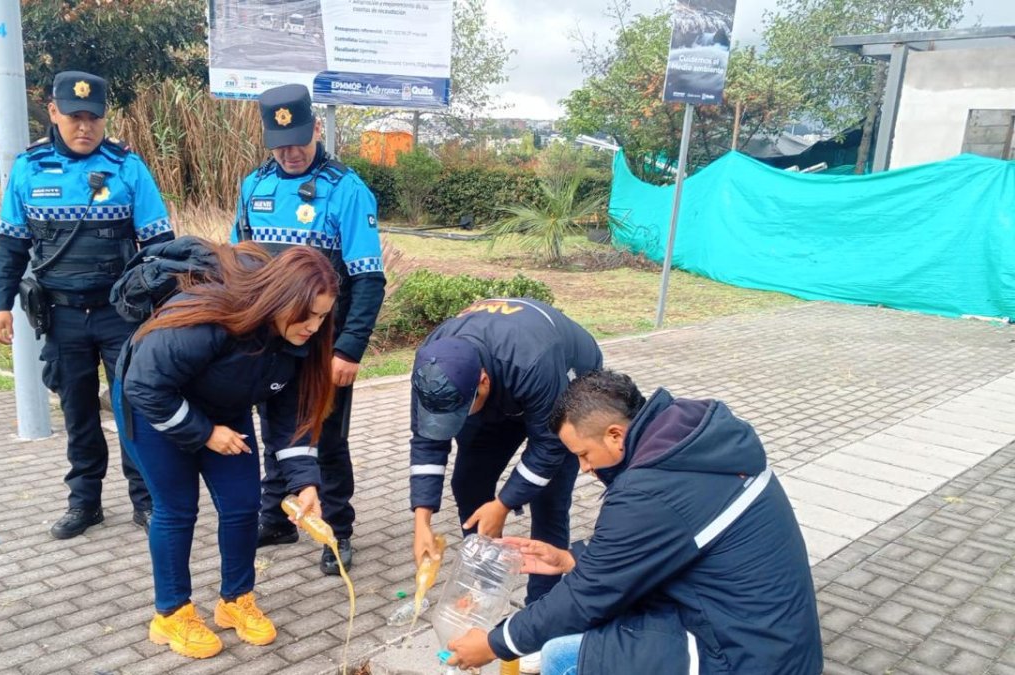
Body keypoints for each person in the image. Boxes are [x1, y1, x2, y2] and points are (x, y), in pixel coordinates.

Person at [445, 370, 824, 675]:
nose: (585, 467)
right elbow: (656, 544)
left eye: (584, 454)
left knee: (565, 656)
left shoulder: (649, 489)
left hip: (743, 657)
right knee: (579, 637)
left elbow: (587, 598)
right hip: (770, 636)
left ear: (615, 434)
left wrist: (495, 643)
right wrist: (570, 560)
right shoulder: (687, 443)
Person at [112, 242, 338, 659]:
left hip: (223, 408)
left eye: (324, 315)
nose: (315, 325)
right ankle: (172, 613)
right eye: (308, 314)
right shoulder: (212, 316)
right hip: (153, 404)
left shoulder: (299, 339)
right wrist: (203, 433)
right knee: (176, 509)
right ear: (281, 300)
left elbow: (291, 419)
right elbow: (143, 385)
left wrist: (306, 484)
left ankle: (235, 601)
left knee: (241, 504)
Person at [0, 70, 174, 539]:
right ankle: (84, 503)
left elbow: (160, 246)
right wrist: (0, 305)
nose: (84, 126)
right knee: (78, 413)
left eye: (94, 117)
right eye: (75, 116)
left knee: (133, 406)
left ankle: (146, 500)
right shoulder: (29, 169)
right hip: (62, 316)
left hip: (121, 315)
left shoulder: (128, 168)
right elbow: (10, 248)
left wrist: (166, 306)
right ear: (53, 112)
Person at [233, 83, 385, 576]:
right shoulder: (253, 187)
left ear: (316, 129)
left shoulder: (346, 189)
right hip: (269, 341)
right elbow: (241, 265)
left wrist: (349, 348)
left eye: (298, 139)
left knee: (327, 438)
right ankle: (277, 517)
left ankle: (337, 531)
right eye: (279, 144)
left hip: (325, 344)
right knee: (273, 430)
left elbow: (368, 279)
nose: (290, 152)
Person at [409, 297, 603, 673]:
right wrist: (423, 523)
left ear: (481, 381)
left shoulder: (533, 360)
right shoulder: (434, 363)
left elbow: (548, 447)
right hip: (501, 393)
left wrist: (503, 503)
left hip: (564, 382)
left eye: (465, 406)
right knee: (468, 480)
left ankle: (541, 619)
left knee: (549, 499)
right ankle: (480, 586)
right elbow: (426, 440)